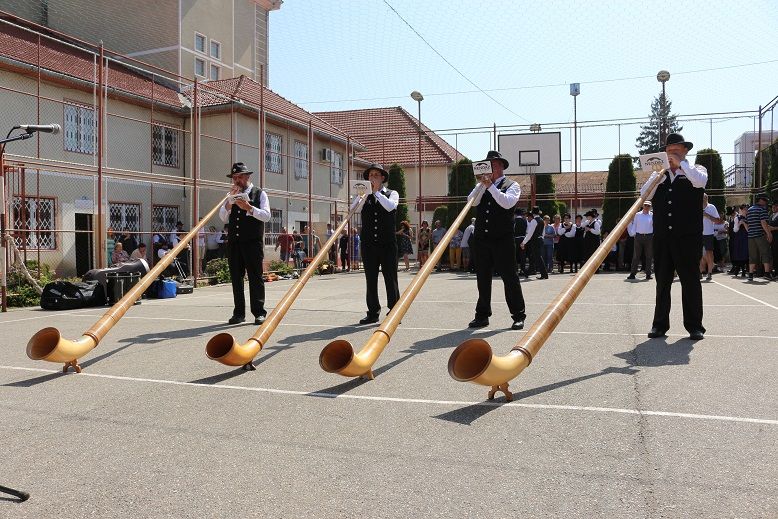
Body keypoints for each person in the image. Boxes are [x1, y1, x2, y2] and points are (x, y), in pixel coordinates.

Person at [641, 133, 708, 341]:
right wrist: (658, 175)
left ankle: (695, 326)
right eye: (669, 151)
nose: (672, 154)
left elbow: (700, 182)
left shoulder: (696, 170)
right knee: (662, 281)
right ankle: (659, 324)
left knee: (690, 281)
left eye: (676, 151)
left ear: (685, 151)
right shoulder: (659, 175)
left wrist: (681, 165)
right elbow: (644, 195)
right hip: (663, 237)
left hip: (688, 237)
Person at [467, 150, 525, 330]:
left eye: (491, 165)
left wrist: (491, 186)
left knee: (510, 277)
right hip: (482, 239)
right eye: (487, 165)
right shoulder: (482, 186)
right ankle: (482, 315)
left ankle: (518, 315)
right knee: (483, 278)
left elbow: (506, 203)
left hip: (502, 239)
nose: (489, 168)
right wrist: (482, 185)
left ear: (499, 166)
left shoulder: (513, 185)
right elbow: (471, 202)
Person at [219, 162, 271, 331]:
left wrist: (249, 208)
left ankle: (259, 312)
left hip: (252, 243)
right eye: (234, 177)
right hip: (234, 243)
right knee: (236, 277)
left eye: (239, 177)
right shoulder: (230, 195)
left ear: (247, 177)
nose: (236, 180)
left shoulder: (259, 193)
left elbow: (266, 216)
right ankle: (239, 313)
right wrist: (229, 204)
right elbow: (223, 217)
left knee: (255, 277)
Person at [353, 164, 400, 325]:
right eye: (370, 175)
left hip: (387, 244)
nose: (372, 178)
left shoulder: (392, 193)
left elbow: (390, 207)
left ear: (382, 178)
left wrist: (376, 193)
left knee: (390, 278)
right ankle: (373, 312)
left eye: (375, 175)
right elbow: (354, 210)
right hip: (369, 245)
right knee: (371, 279)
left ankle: (394, 312)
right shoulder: (363, 196)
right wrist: (364, 195)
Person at [745, 193, 774, 281]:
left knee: (752, 255)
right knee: (765, 253)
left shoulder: (749, 210)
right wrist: (769, 234)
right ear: (760, 200)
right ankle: (767, 273)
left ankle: (750, 274)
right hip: (760, 235)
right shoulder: (762, 209)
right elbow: (763, 223)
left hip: (751, 236)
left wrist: (750, 232)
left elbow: (747, 223)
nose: (766, 202)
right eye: (765, 200)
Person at [626, 201, 654, 280]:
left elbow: (654, 225)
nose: (647, 207)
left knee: (649, 256)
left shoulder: (652, 215)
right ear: (643, 206)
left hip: (649, 236)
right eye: (645, 205)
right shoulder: (637, 215)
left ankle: (648, 274)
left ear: (650, 207)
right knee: (636, 256)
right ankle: (632, 273)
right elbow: (635, 224)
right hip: (638, 236)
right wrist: (633, 233)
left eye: (648, 206)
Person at [520, 207, 548, 279]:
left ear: (533, 213)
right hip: (540, 240)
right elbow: (543, 232)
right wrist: (541, 238)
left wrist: (523, 242)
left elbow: (530, 233)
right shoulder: (541, 220)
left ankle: (543, 274)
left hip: (535, 240)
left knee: (537, 257)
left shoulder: (534, 221)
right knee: (535, 257)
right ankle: (531, 271)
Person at [700, 193, 722, 281]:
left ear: (706, 198)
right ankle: (700, 271)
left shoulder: (711, 207)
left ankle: (709, 272)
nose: (702, 199)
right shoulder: (695, 206)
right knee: (698, 253)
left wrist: (707, 216)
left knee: (709, 253)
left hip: (708, 233)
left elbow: (718, 221)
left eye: (703, 198)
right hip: (698, 233)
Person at [731, 205, 749, 277]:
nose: (746, 211)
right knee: (739, 253)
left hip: (746, 237)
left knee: (745, 253)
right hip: (739, 238)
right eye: (744, 209)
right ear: (741, 210)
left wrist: (744, 223)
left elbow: (748, 230)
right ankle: (739, 268)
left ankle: (743, 269)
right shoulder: (737, 218)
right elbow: (735, 230)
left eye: (746, 209)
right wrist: (739, 223)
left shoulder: (748, 218)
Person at [771, 200, 778, 276]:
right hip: (772, 238)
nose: (773, 208)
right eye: (772, 207)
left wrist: (773, 228)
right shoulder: (771, 215)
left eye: (775, 207)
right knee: (774, 255)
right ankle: (775, 270)